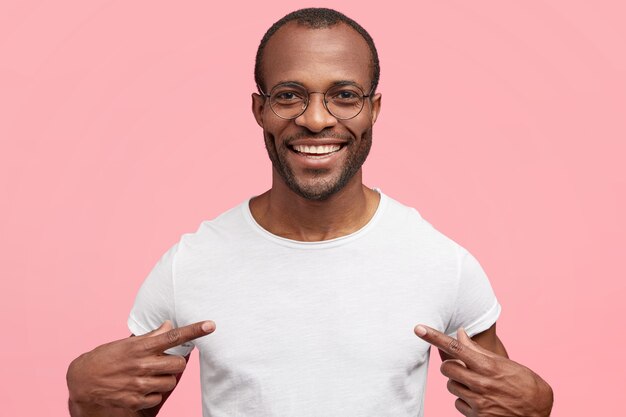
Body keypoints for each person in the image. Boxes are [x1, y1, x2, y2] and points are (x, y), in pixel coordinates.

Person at [66, 8, 553, 417]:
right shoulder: (189, 264)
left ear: (373, 109)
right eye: (289, 95)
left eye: (344, 95)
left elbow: (500, 406)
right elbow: (120, 405)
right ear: (259, 110)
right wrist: (85, 403)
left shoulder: (442, 263)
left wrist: (538, 406)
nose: (316, 119)